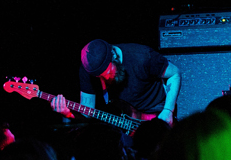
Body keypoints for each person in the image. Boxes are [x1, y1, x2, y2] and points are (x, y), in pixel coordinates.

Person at [50, 39, 181, 126]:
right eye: (101, 77)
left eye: (108, 72)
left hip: (156, 114)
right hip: (126, 123)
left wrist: (168, 111)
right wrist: (68, 113)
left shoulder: (142, 56)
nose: (107, 78)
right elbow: (87, 113)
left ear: (114, 55)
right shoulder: (87, 70)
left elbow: (175, 73)